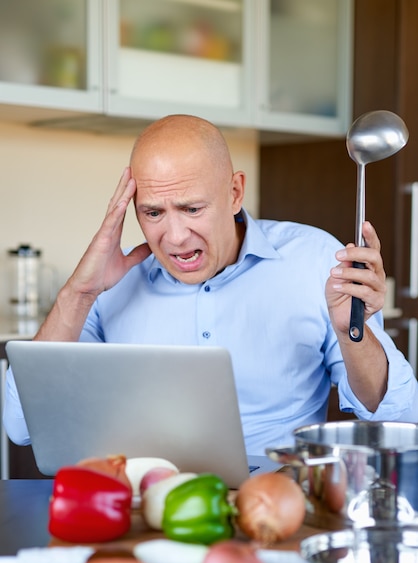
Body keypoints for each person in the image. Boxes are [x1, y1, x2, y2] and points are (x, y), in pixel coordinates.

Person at [3, 114, 418, 455]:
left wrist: (353, 334)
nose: (176, 236)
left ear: (235, 192)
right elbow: (20, 426)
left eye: (192, 208)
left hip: (276, 504)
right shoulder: (111, 284)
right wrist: (78, 294)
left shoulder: (313, 260)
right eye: (153, 213)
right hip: (144, 509)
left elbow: (399, 415)